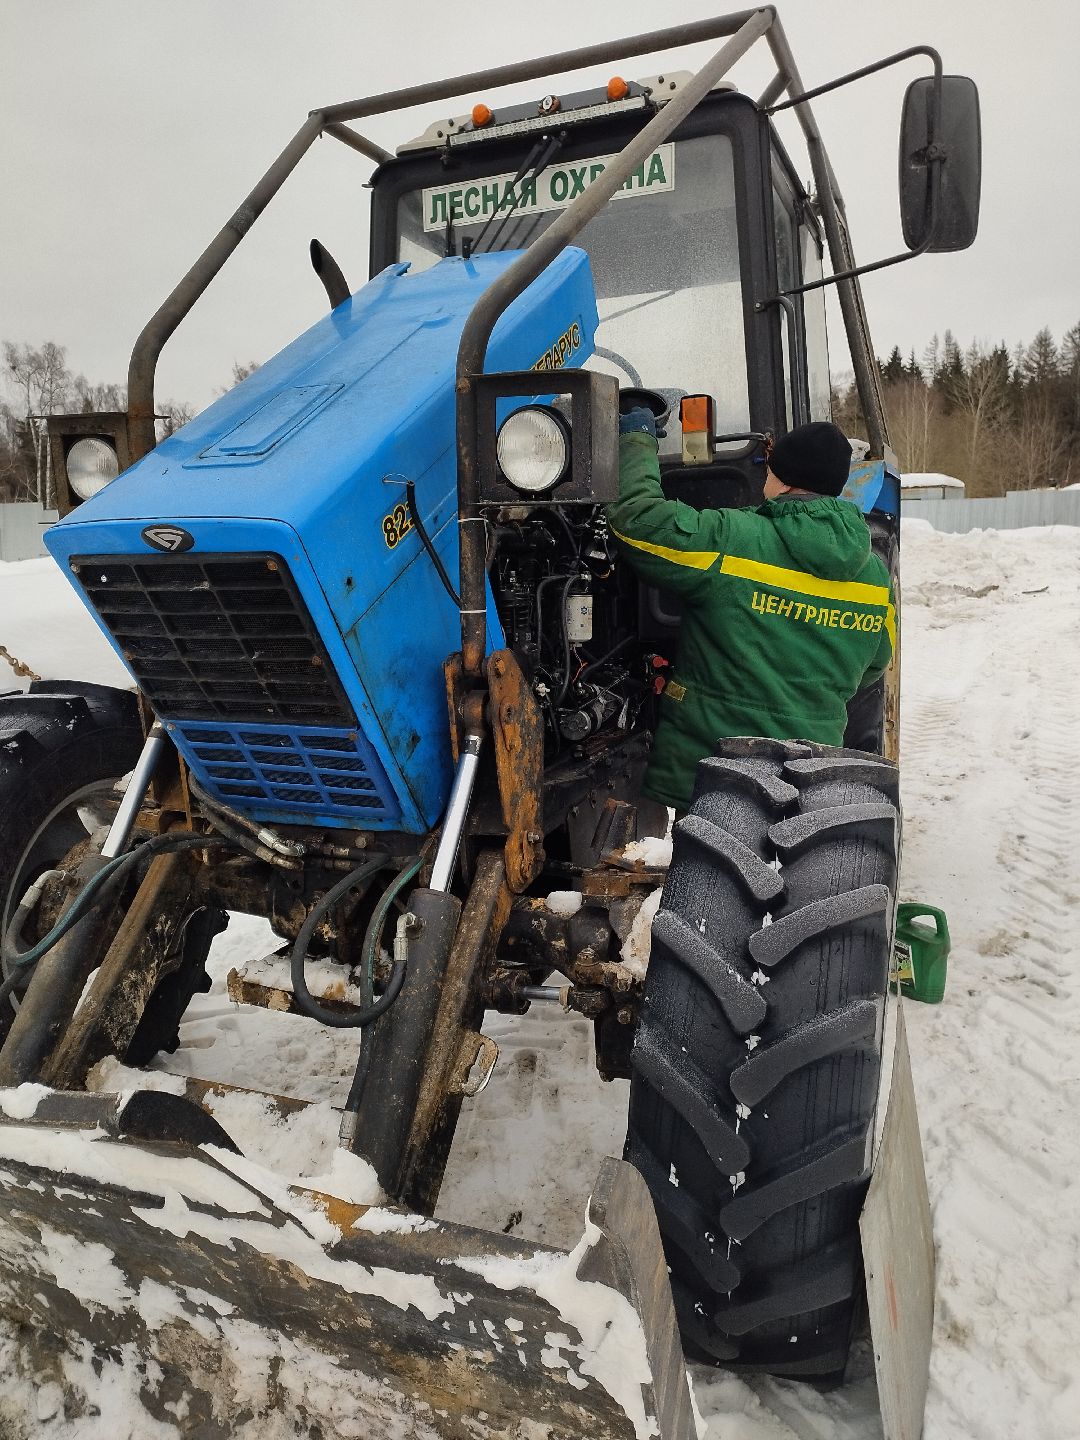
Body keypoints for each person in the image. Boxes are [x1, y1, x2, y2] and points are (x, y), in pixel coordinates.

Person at [607, 412, 895, 813]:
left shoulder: (733, 539)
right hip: (809, 775)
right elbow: (875, 664)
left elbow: (636, 522)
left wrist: (636, 440)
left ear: (781, 478)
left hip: (714, 771)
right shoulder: (874, 575)